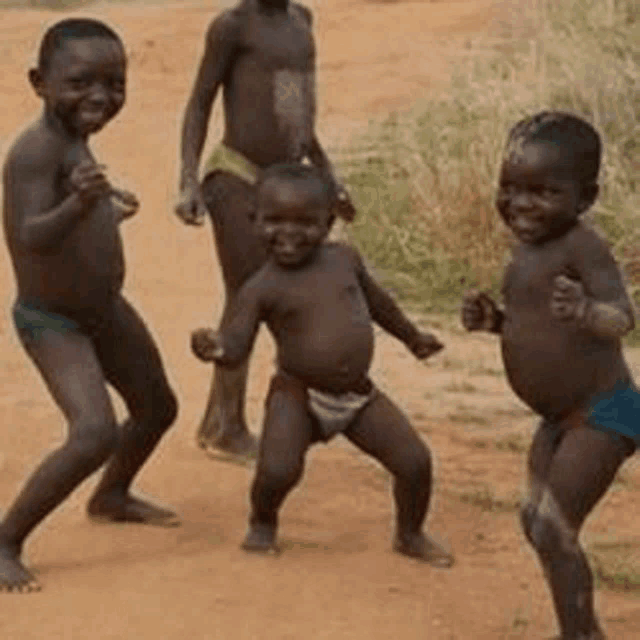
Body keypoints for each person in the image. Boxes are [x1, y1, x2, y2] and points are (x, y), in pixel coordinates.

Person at [191, 164, 452, 566]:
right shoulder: (261, 287)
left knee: (414, 461)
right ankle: (262, 521)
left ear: (328, 222)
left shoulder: (344, 259)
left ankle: (410, 533)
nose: (289, 234)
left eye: (305, 223)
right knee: (278, 471)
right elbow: (237, 345)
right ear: (253, 220)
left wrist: (412, 337)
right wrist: (216, 348)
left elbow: (378, 303)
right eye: (274, 221)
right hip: (298, 395)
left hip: (358, 396)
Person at [0, 18, 179, 593]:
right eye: (80, 83)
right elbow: (31, 233)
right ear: (39, 82)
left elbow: (72, 209)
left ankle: (111, 493)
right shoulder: (34, 151)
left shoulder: (73, 140)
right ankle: (5, 539)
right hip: (54, 321)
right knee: (93, 432)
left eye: (114, 82)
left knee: (156, 407)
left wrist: (106, 208)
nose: (100, 96)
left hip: (104, 309)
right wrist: (81, 206)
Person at [462, 111, 637, 640]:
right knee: (535, 525)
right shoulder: (525, 252)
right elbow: (533, 325)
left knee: (555, 530)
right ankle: (582, 629)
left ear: (584, 198)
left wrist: (588, 310)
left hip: (606, 413)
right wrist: (495, 322)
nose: (519, 203)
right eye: (510, 188)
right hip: (560, 419)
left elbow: (623, 318)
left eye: (542, 192)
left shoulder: (583, 246)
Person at [175, 0, 355, 462]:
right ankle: (228, 426)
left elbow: (296, 111)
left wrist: (325, 176)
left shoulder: (301, 21)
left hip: (286, 185)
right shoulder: (233, 26)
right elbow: (200, 103)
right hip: (237, 174)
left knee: (258, 295)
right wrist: (189, 180)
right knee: (251, 293)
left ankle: (220, 421)